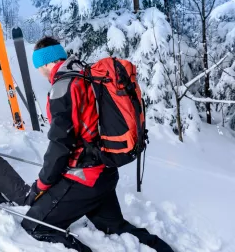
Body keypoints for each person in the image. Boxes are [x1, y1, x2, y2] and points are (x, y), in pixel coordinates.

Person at [21, 37, 174, 252]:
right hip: (105, 173)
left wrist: (41, 185)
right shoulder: (86, 73)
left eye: (38, 66)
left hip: (84, 178)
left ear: (46, 62)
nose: (39, 72)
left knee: (35, 226)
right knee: (115, 227)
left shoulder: (62, 87)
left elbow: (59, 145)